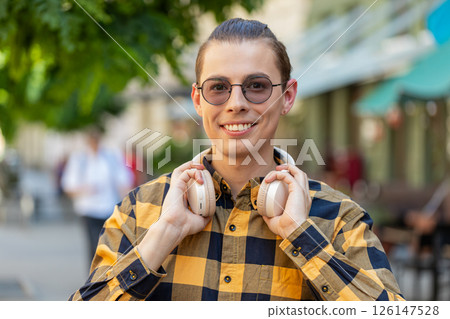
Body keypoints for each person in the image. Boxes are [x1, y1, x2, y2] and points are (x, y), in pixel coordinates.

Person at [70, 18, 404, 301]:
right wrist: (163, 235)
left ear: (287, 97)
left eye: (256, 86)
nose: (236, 103)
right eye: (218, 88)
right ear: (198, 101)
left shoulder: (340, 220)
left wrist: (302, 236)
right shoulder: (137, 213)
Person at [62, 127, 133, 263]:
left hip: (108, 208)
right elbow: (68, 186)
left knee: (110, 245)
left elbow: (123, 180)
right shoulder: (80, 159)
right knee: (94, 245)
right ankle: (94, 278)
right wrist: (84, 189)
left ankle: (106, 276)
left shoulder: (110, 157)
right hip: (88, 209)